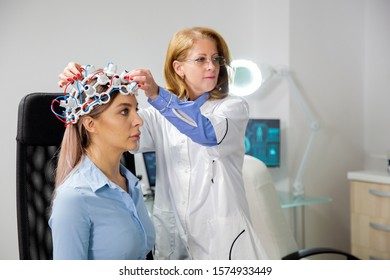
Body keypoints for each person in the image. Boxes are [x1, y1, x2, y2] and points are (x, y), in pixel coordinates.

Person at [58, 27, 268, 260]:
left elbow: (206, 132)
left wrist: (157, 94)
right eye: (201, 59)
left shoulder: (232, 108)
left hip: (224, 247)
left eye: (216, 59)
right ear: (178, 68)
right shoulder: (159, 116)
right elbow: (106, 122)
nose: (212, 66)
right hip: (175, 246)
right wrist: (80, 83)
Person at [50, 63, 155, 260]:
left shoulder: (130, 184)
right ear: (91, 124)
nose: (138, 120)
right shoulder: (74, 198)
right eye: (124, 111)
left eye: (136, 109)